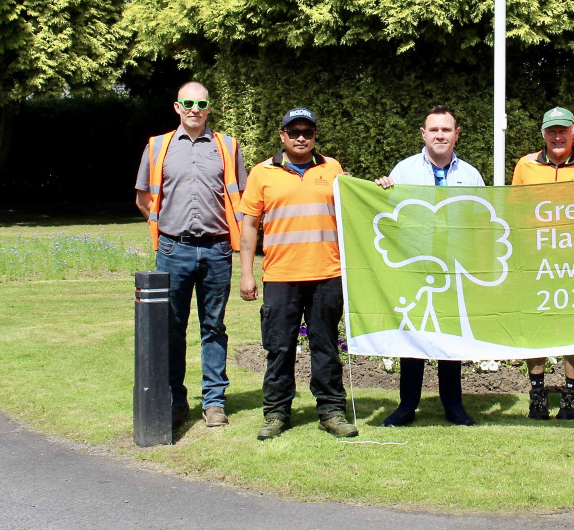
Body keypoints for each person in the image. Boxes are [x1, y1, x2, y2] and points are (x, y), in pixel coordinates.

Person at [238, 107, 359, 441]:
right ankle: (276, 413)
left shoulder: (332, 168)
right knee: (279, 348)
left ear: (315, 136)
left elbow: (354, 208)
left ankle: (331, 411)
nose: (301, 137)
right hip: (280, 275)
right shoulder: (262, 173)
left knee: (326, 347)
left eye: (308, 132)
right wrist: (246, 273)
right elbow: (249, 225)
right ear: (282, 136)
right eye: (294, 132)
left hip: (326, 273)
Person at [135, 81, 246, 430]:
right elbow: (143, 199)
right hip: (173, 249)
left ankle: (214, 401)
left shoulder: (227, 146)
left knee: (213, 327)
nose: (194, 108)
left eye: (201, 102)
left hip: (216, 249)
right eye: (188, 103)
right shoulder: (157, 147)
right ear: (177, 106)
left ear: (209, 106)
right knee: (172, 328)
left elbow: (240, 196)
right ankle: (175, 400)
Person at [374, 105, 483, 427]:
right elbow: (385, 216)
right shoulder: (403, 172)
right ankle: (407, 405)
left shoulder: (471, 175)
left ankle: (454, 406)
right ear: (423, 134)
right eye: (434, 129)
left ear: (456, 134)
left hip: (454, 269)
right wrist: (378, 192)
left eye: (446, 130)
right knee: (412, 338)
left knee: (452, 339)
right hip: (415, 269)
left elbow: (481, 225)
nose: (440, 135)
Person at [512, 106, 574, 420]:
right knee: (534, 325)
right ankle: (537, 394)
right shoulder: (525, 165)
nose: (557, 136)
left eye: (563, 130)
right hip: (535, 261)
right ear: (543, 135)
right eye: (551, 131)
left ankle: (570, 395)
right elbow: (514, 210)